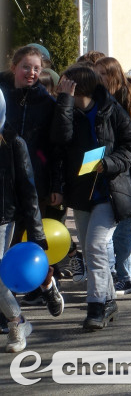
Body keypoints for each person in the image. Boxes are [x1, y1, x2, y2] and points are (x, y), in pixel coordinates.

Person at [52, 65, 131, 331]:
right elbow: (59, 139)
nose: (61, 85)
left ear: (79, 85)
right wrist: (65, 102)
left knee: (96, 246)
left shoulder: (111, 109)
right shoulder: (66, 108)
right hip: (81, 193)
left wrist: (111, 162)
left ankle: (97, 306)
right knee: (92, 251)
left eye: (66, 83)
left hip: (110, 192)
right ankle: (109, 301)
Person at [1, 45, 66, 312]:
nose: (31, 73)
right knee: (7, 252)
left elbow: (56, 149)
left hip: (32, 181)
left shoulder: (46, 102)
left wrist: (55, 185)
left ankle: (47, 285)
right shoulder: (2, 94)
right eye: (26, 67)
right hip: (4, 179)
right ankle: (9, 311)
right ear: (14, 66)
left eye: (37, 69)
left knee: (31, 246)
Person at [94, 57, 131, 297]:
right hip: (103, 171)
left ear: (112, 76)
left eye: (100, 75)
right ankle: (112, 274)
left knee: (123, 228)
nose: (96, 80)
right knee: (107, 231)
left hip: (127, 173)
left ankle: (124, 276)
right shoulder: (97, 100)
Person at [0, 89, 50, 352]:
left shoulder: (13, 143)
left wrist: (37, 235)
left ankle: (16, 322)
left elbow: (29, 192)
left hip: (2, 218)